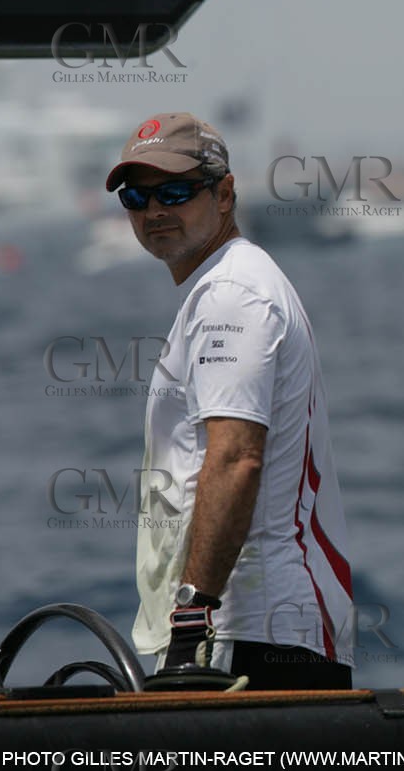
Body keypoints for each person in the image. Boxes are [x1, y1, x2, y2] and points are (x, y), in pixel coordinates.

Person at [105, 113, 354, 689]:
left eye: (174, 192)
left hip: (253, 632)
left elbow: (236, 458)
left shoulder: (231, 295)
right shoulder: (230, 285)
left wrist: (191, 622)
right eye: (136, 197)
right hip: (251, 630)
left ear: (224, 194)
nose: (153, 212)